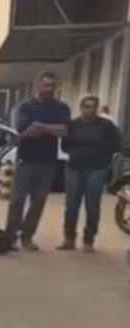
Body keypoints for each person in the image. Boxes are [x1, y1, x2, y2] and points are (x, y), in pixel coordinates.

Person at [6, 71, 70, 251]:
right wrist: (50, 129)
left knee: (38, 202)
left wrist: (40, 126)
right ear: (37, 86)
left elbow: (65, 131)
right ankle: (10, 237)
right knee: (17, 200)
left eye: (52, 85)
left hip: (48, 162)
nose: (48, 89)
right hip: (26, 160)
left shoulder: (61, 108)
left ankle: (27, 237)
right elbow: (23, 132)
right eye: (45, 85)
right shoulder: (25, 107)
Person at [58, 95, 123, 252]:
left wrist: (103, 158)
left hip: (96, 169)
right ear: (81, 108)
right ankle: (69, 238)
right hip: (74, 168)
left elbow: (115, 145)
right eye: (86, 106)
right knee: (71, 205)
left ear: (97, 108)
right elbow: (64, 146)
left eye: (93, 106)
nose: (89, 109)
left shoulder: (107, 126)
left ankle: (89, 240)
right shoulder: (72, 125)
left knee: (92, 206)